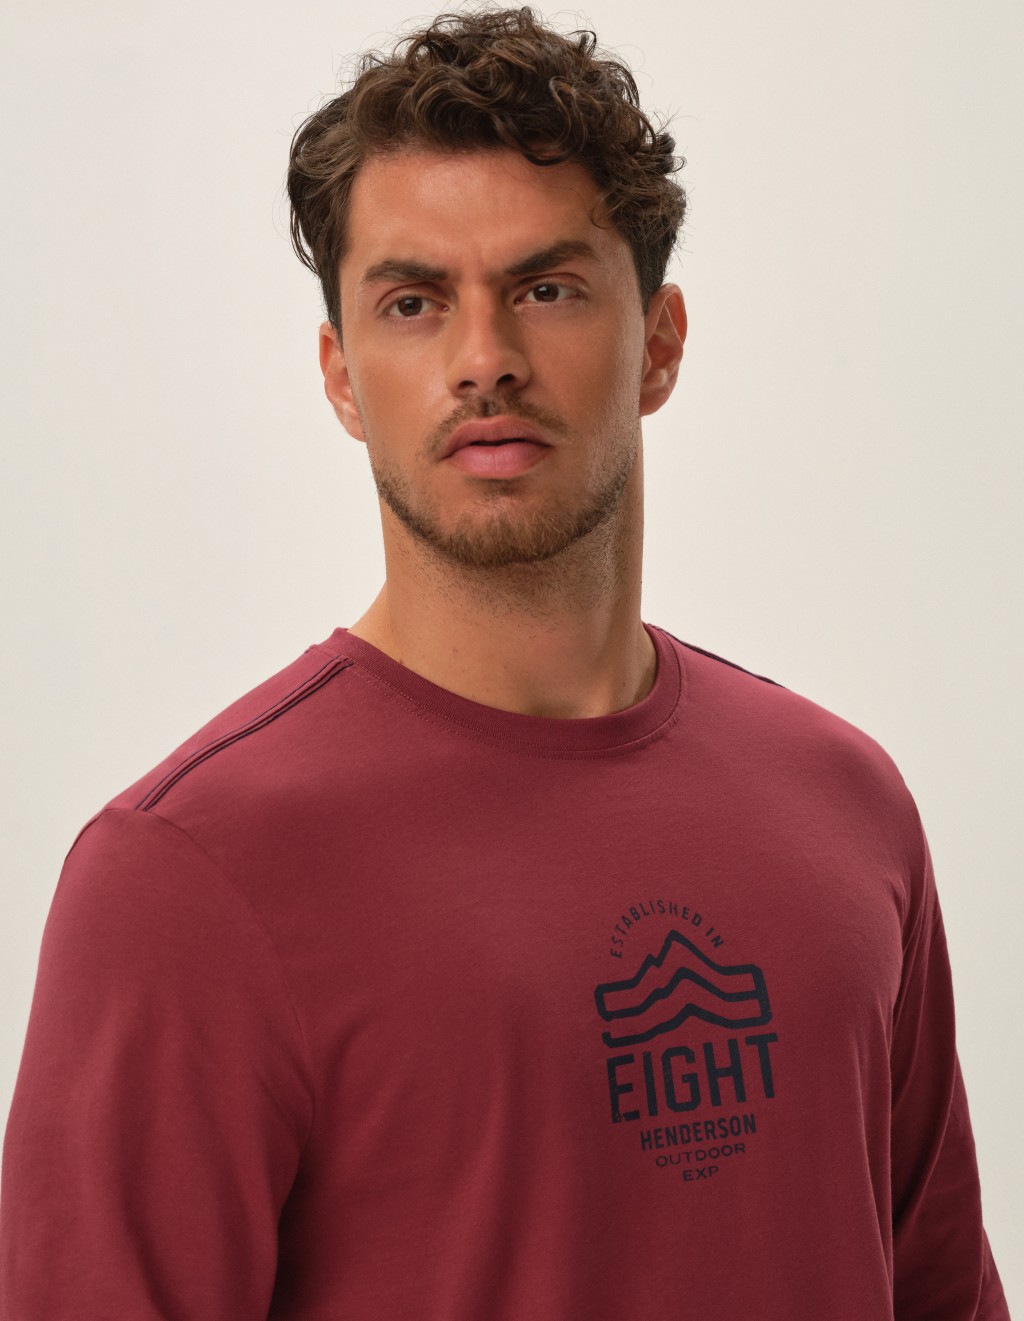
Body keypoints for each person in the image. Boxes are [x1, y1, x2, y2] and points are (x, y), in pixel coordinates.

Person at [0, 7, 1009, 1318]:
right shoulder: (183, 878)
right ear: (342, 375)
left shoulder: (846, 802)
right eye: (414, 303)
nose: (485, 361)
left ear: (659, 342)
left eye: (546, 288)